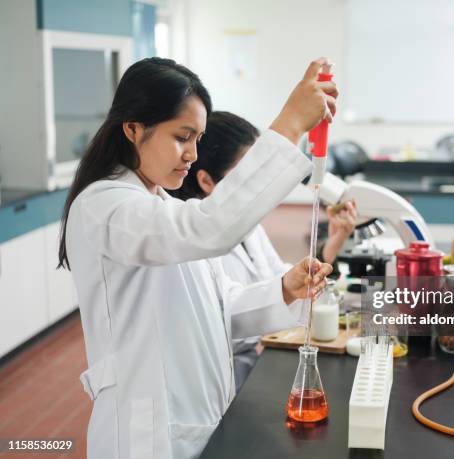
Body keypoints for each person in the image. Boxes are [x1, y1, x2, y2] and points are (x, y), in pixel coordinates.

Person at [58, 57, 337, 459]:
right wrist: (291, 122)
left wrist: (283, 290)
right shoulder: (105, 206)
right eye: (182, 136)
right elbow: (211, 228)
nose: (191, 154)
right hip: (147, 437)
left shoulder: (162, 207)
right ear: (134, 128)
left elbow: (218, 309)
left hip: (194, 421)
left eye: (197, 140)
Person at [171, 111, 357, 390]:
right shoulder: (191, 244)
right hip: (225, 378)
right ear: (207, 181)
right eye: (246, 176)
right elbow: (227, 315)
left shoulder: (247, 226)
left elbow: (278, 275)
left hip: (258, 360)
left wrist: (328, 249)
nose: (258, 186)